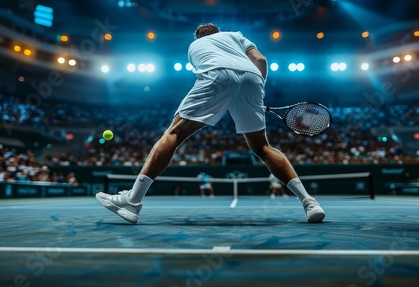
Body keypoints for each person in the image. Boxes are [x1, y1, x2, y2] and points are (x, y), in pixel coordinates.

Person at [96, 23, 325, 223]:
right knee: (263, 147)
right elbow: (261, 60)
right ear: (219, 32)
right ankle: (309, 202)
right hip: (253, 78)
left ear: (199, 38)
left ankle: (133, 201)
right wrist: (257, 90)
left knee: (174, 134)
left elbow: (220, 79)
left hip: (218, 74)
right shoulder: (235, 35)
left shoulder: (194, 47)